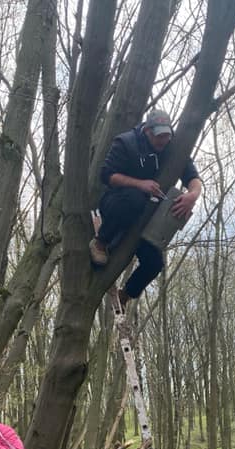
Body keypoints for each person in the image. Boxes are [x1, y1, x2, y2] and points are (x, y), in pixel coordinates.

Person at [90, 107, 203, 306]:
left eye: (166, 136)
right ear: (147, 131)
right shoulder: (126, 142)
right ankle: (101, 242)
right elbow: (107, 175)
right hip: (117, 203)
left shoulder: (172, 148)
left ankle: (124, 296)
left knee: (154, 263)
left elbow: (193, 178)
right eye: (158, 137)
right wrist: (139, 184)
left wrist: (192, 196)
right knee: (135, 198)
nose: (163, 141)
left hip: (146, 218)